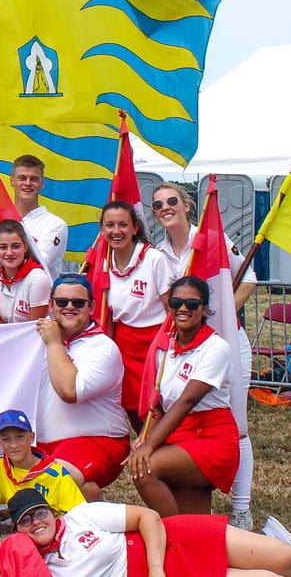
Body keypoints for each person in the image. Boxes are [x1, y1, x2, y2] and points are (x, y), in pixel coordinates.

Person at [151, 180, 256, 529]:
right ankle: (195, 496)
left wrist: (222, 318)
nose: (165, 208)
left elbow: (250, 278)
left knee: (237, 423)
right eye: (158, 204)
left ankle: (241, 509)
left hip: (224, 341)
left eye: (171, 201)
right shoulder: (158, 251)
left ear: (186, 205)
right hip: (183, 346)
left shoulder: (213, 238)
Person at [0, 486, 291, 577]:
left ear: (51, 511)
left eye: (40, 512)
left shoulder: (82, 517)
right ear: (18, 531)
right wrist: (11, 548)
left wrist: (156, 569)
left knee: (286, 558)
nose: (37, 522)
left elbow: (148, 517)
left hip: (169, 541)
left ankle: (276, 543)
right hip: (167, 574)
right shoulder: (36, 565)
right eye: (26, 521)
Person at [130, 276, 240, 519]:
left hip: (210, 436)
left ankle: (176, 540)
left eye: (191, 304)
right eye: (175, 302)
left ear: (204, 309)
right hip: (178, 434)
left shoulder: (215, 347)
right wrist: (144, 437)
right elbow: (160, 406)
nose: (182, 308)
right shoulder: (166, 348)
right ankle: (193, 548)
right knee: (195, 521)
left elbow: (186, 401)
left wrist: (150, 446)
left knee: (144, 469)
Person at [34, 274, 131, 501]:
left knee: (46, 488)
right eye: (61, 302)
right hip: (44, 444)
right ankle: (92, 500)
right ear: (50, 305)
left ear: (92, 307)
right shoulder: (34, 338)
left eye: (78, 303)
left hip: (96, 439)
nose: (69, 307)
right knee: (28, 492)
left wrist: (54, 343)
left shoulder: (103, 347)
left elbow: (70, 391)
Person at [91, 200, 178, 430]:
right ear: (102, 229)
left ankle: (160, 454)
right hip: (124, 344)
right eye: (109, 225)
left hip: (154, 341)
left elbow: (171, 308)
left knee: (157, 407)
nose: (116, 231)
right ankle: (144, 449)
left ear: (135, 228)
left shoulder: (153, 259)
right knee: (131, 405)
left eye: (123, 225)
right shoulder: (102, 262)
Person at [0, 410, 86, 553]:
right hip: (28, 537)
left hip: (61, 539)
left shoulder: (55, 474)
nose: (13, 445)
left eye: (20, 437)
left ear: (31, 437)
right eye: (6, 439)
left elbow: (83, 517)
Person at [10, 154, 69, 279]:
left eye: (34, 179)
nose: (28, 183)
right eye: (22, 178)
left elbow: (39, 264)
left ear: (42, 183)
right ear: (12, 181)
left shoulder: (55, 224)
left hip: (39, 297)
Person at [0, 219, 52, 324]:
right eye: (3, 247)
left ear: (25, 247)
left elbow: (34, 329)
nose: (9, 252)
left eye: (15, 246)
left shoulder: (38, 279)